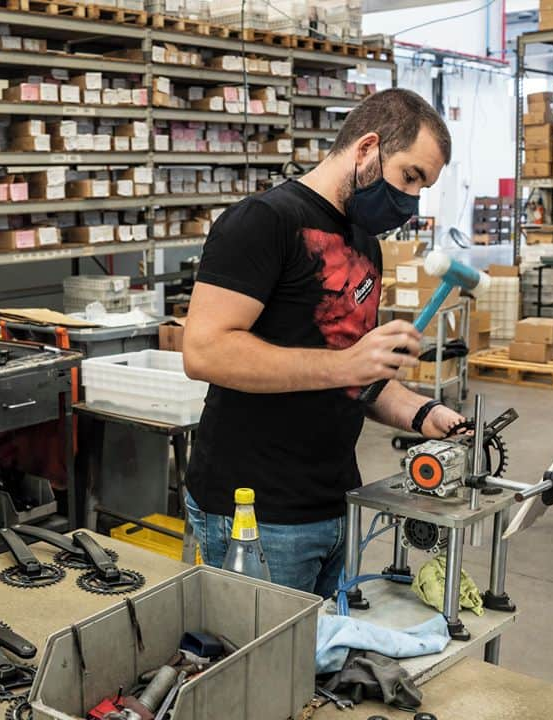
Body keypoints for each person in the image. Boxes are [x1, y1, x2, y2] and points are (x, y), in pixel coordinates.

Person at [181, 89, 467, 599]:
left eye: (423, 187)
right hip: (256, 513)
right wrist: (347, 366)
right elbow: (204, 351)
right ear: (367, 149)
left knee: (312, 669)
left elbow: (357, 376)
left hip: (334, 503)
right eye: (410, 177)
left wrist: (425, 415)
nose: (411, 200)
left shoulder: (364, 243)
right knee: (254, 671)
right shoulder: (264, 222)